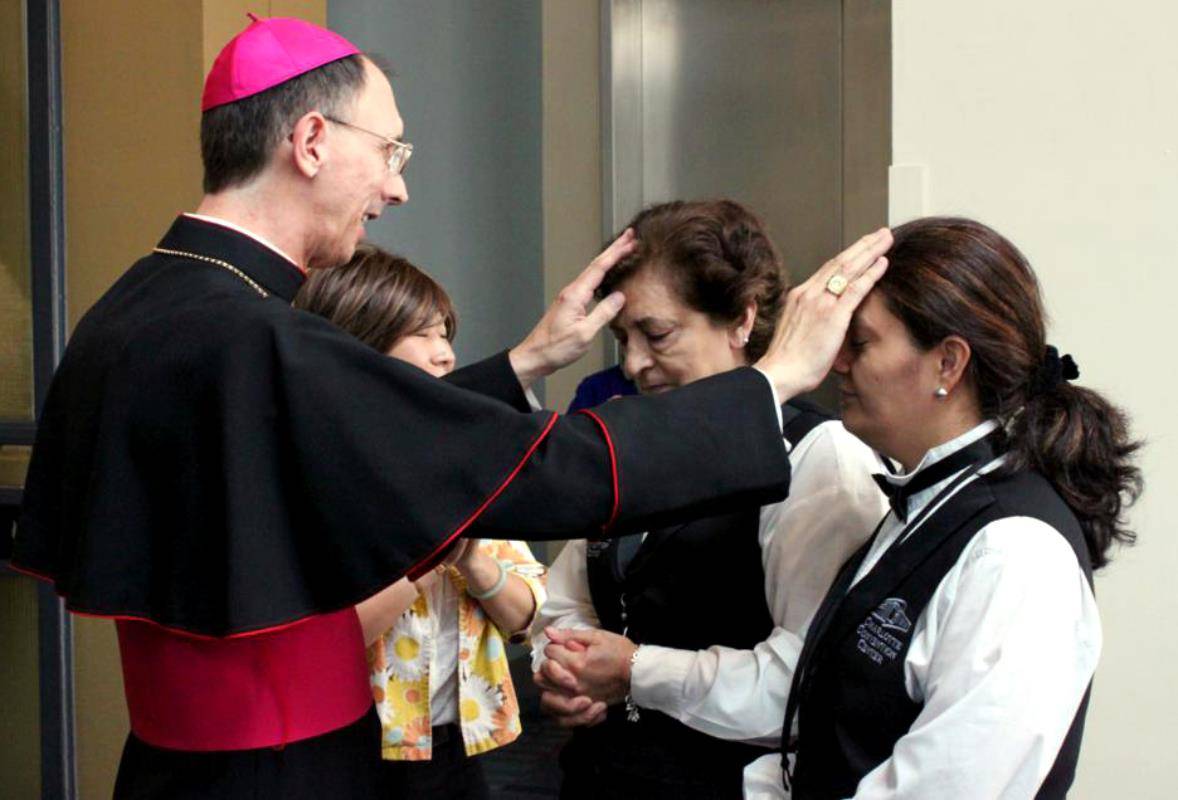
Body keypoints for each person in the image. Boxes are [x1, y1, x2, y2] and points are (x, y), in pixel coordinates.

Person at [10, 15, 892, 799]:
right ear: (312, 140)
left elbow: (354, 438)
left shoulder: (145, 305)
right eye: (390, 152)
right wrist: (770, 382)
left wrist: (523, 363)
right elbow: (543, 471)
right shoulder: (259, 337)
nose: (396, 188)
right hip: (282, 770)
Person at [736, 217, 1141, 799]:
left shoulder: (1016, 552)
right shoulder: (927, 499)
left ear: (948, 364)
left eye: (862, 343)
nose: (838, 365)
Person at [531, 200, 887, 798]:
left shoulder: (818, 458)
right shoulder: (632, 440)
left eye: (658, 334)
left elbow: (801, 683)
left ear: (742, 320)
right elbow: (565, 601)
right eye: (623, 338)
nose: (635, 364)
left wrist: (636, 672)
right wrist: (565, 664)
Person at [294, 245, 546, 798]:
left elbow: (530, 616)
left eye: (446, 334)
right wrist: (430, 557)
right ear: (359, 343)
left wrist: (473, 561)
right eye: (424, 335)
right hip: (346, 746)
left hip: (456, 748)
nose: (447, 356)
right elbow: (314, 646)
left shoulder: (465, 459)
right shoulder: (313, 476)